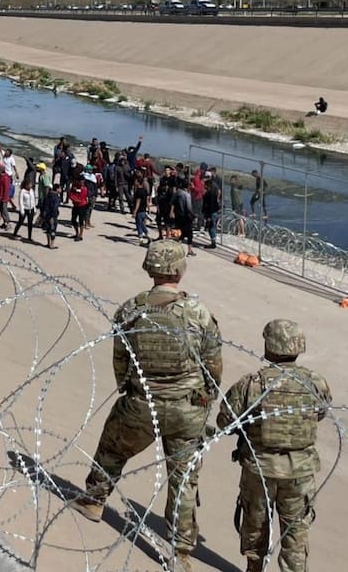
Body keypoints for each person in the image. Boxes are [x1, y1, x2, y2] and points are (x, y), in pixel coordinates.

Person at [73, 241, 222, 572]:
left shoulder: (131, 309)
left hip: (143, 403)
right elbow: (213, 366)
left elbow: (120, 361)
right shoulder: (198, 313)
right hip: (187, 409)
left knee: (112, 449)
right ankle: (180, 552)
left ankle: (94, 500)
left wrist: (129, 391)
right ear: (180, 270)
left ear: (148, 268)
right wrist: (205, 398)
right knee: (183, 479)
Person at [217, 320, 331, 572]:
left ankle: (254, 567)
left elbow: (226, 421)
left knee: (255, 525)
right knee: (295, 532)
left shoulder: (252, 384)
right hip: (299, 472)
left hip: (260, 469)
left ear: (269, 347)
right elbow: (320, 413)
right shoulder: (314, 382)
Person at [12, 175, 37, 243]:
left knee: (30, 223)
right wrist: (22, 211)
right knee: (20, 222)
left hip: (31, 209)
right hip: (25, 209)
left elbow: (33, 200)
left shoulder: (31, 191)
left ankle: (29, 237)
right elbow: (21, 202)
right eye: (29, 184)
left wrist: (34, 209)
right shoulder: (22, 191)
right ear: (26, 185)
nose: (31, 185)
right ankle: (15, 233)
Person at [202, 167, 221, 250]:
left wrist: (209, 216)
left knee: (211, 227)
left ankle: (213, 243)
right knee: (211, 227)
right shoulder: (211, 192)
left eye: (205, 185)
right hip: (212, 212)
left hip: (212, 212)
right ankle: (213, 241)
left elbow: (211, 205)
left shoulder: (211, 194)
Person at [68, 174, 90, 241]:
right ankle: (77, 233)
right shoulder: (74, 186)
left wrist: (78, 199)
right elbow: (71, 194)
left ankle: (80, 235)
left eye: (83, 181)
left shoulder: (85, 188)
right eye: (81, 181)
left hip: (82, 206)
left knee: (81, 221)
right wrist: (74, 199)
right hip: (75, 205)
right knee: (73, 220)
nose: (82, 183)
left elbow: (84, 196)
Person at [39, 180, 60, 249]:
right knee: (53, 230)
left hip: (46, 215)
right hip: (52, 216)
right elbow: (54, 207)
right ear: (57, 189)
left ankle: (48, 243)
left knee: (48, 229)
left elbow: (43, 205)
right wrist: (53, 216)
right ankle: (52, 244)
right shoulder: (56, 197)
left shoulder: (47, 195)